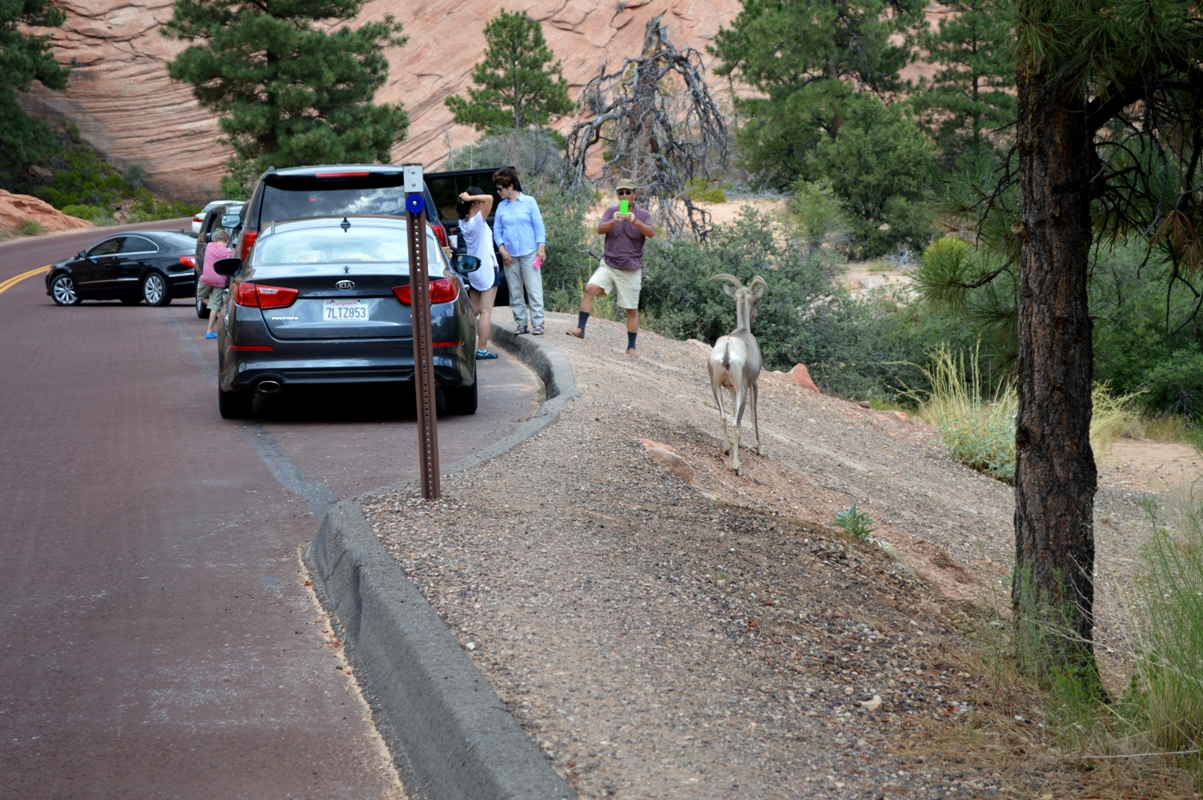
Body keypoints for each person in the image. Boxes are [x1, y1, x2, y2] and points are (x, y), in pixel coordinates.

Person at [566, 178, 655, 357]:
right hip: (609, 264)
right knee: (590, 288)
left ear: (634, 194)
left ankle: (631, 347)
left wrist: (635, 222)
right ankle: (580, 329)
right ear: (617, 195)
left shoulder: (643, 214)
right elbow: (600, 229)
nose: (624, 196)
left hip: (630, 269)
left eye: (628, 192)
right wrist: (613, 221)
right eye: (621, 193)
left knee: (631, 309)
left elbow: (651, 233)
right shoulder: (611, 212)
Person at [491, 167, 547, 335]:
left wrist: (541, 247)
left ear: (510, 186)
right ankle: (521, 323)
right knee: (515, 291)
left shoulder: (529, 202)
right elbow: (497, 231)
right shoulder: (501, 207)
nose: (498, 192)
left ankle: (538, 323)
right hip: (510, 255)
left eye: (500, 188)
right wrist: (502, 250)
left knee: (533, 288)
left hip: (529, 252)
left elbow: (538, 226)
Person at [456, 187, 500, 359]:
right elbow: (489, 198)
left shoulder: (464, 222)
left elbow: (486, 199)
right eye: (478, 201)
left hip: (473, 268)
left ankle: (463, 345)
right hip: (487, 268)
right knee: (486, 311)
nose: (482, 203)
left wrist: (468, 198)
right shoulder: (477, 221)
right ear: (475, 202)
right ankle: (482, 349)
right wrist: (469, 197)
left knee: (473, 310)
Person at [200, 229, 233, 339]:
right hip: (219, 280)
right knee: (214, 305)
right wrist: (230, 251)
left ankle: (218, 309)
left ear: (216, 239)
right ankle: (209, 330)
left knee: (201, 297)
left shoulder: (209, 245)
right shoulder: (226, 252)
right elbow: (229, 265)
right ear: (227, 241)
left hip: (205, 279)